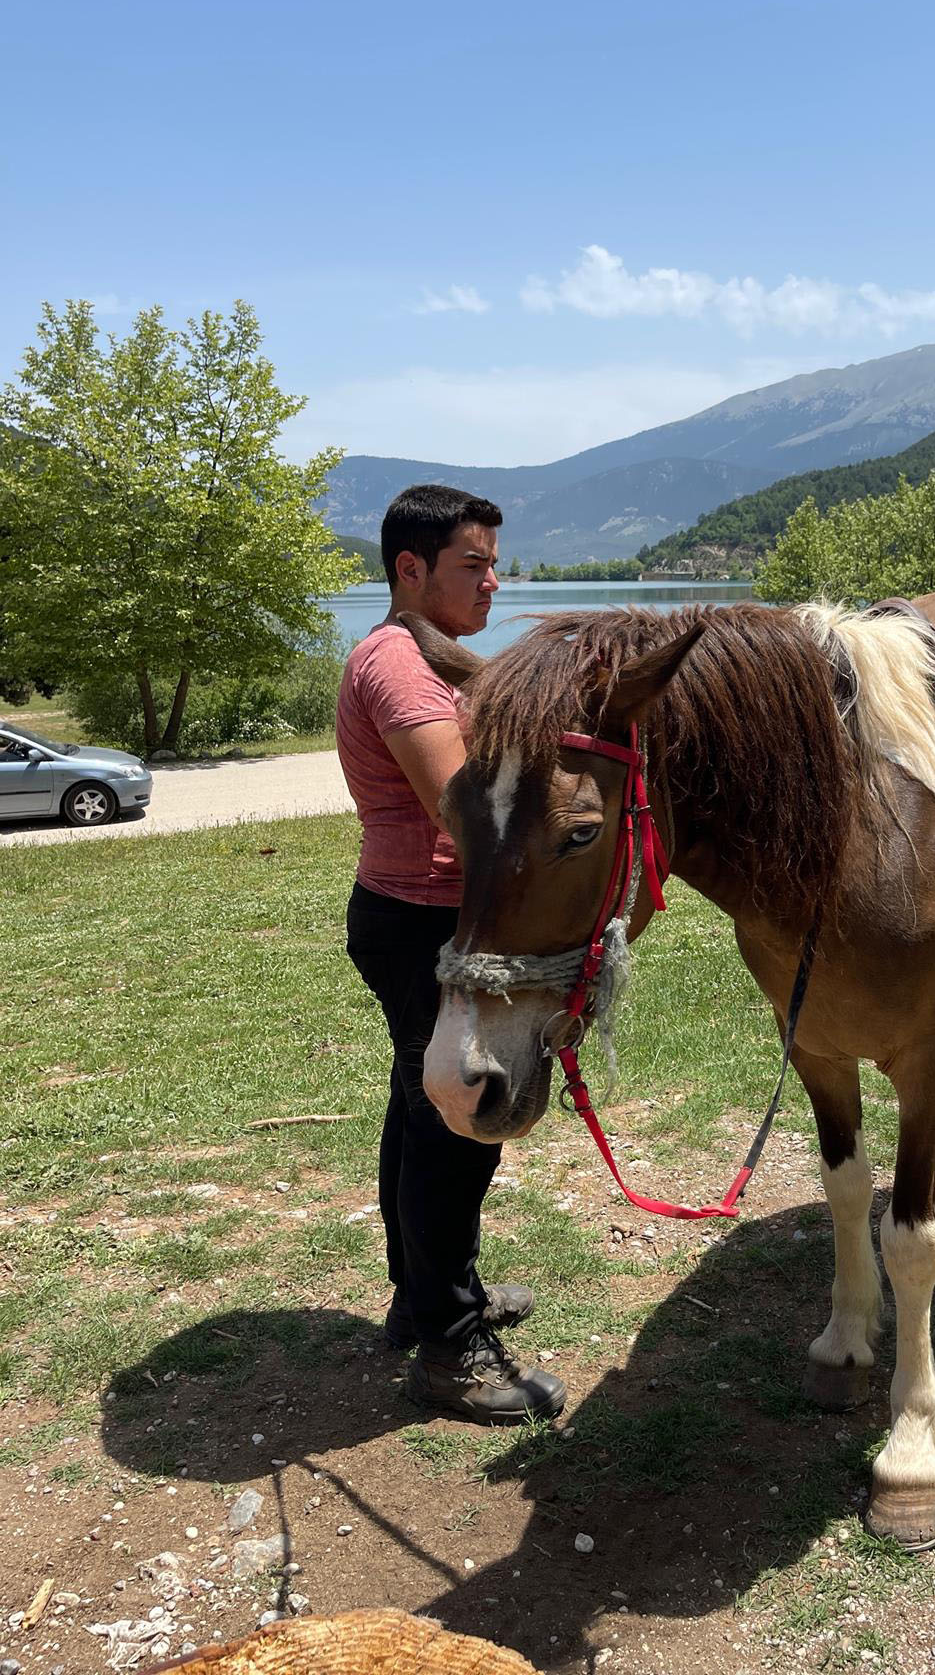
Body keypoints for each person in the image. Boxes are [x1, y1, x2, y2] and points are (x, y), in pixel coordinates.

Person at [337, 483, 566, 1424]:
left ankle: (422, 1297)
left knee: (417, 1111)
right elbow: (467, 815)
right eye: (473, 565)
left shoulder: (431, 658)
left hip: (419, 918)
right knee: (458, 1126)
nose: (492, 582)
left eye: (493, 564)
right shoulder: (396, 665)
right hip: (427, 926)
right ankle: (450, 1346)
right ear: (410, 569)